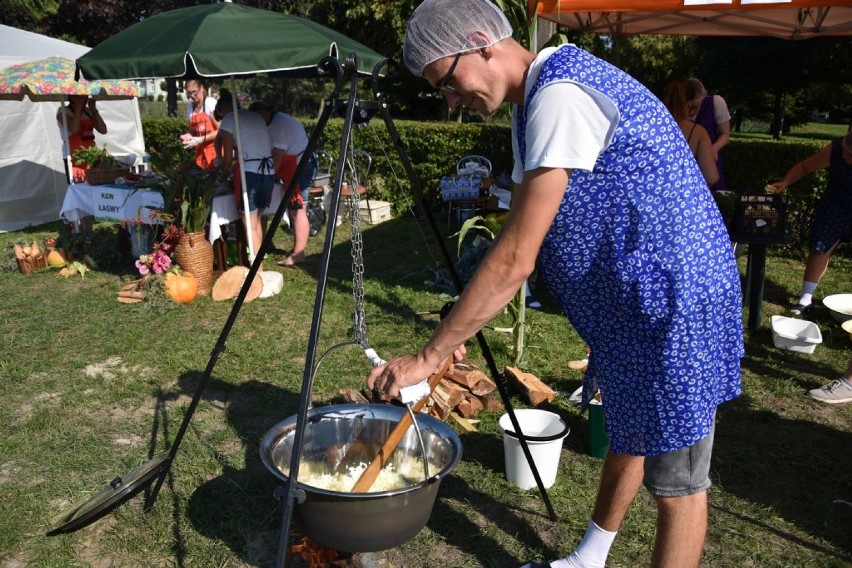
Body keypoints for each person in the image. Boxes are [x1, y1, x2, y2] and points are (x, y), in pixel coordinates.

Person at [367, 2, 744, 567]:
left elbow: (517, 256)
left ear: (480, 41)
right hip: (633, 311)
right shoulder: (532, 103)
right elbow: (520, 234)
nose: (449, 101)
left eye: (447, 81)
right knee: (629, 428)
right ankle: (591, 557)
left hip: (675, 305)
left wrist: (429, 354)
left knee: (678, 485)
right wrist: (461, 325)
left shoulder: (561, 96)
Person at [768, 131, 852, 315]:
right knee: (820, 248)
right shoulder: (836, 149)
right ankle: (805, 299)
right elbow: (805, 166)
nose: (846, 155)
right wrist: (786, 182)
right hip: (835, 205)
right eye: (846, 149)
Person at [248, 101, 317, 267]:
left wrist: (266, 176)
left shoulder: (279, 125)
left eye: (256, 117)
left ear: (265, 112)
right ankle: (287, 248)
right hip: (297, 166)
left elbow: (277, 159)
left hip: (302, 167)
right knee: (293, 209)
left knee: (297, 210)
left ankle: (299, 254)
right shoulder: (275, 122)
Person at [215, 89, 274, 262]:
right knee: (256, 223)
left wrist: (220, 171)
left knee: (250, 225)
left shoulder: (229, 119)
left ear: (222, 110)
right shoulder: (254, 117)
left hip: (250, 173)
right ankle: (259, 263)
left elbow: (227, 158)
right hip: (268, 172)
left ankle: (257, 270)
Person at [664, 80, 720, 187]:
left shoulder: (653, 125)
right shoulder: (698, 132)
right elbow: (711, 177)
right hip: (682, 197)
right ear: (690, 104)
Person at [687, 78, 731, 191]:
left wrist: (713, 149)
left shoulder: (716, 102)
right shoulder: (675, 110)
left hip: (710, 162)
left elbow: (725, 134)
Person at [56, 94, 108, 182]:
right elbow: (74, 129)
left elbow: (103, 130)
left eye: (86, 96)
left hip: (91, 155)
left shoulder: (88, 111)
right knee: (79, 185)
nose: (85, 98)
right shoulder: (63, 111)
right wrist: (78, 107)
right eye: (82, 96)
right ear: (72, 97)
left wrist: (94, 110)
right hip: (73, 156)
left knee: (94, 184)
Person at [181, 79, 220, 169]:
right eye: (189, 93)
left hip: (216, 153)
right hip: (201, 155)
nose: (192, 95)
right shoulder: (190, 107)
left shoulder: (209, 103)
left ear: (201, 88)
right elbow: (192, 132)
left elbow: (220, 130)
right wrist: (187, 137)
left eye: (194, 92)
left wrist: (200, 139)